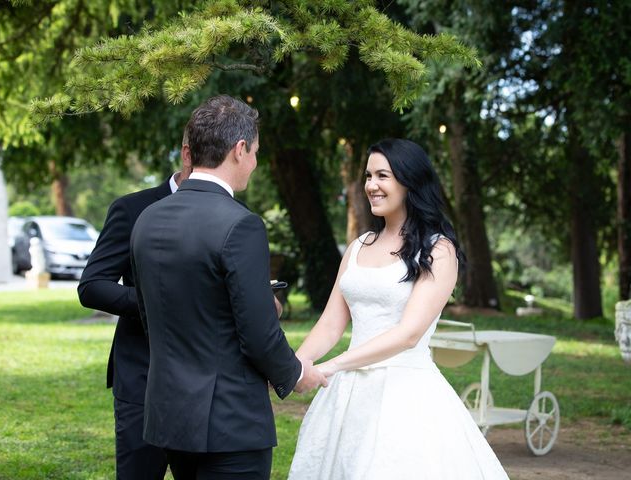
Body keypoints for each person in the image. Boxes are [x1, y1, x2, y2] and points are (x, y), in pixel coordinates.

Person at [130, 94, 326, 480]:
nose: (254, 163)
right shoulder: (241, 224)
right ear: (239, 150)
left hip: (169, 415)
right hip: (229, 420)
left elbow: (153, 313)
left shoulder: (147, 219)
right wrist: (296, 373)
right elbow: (257, 334)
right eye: (254, 152)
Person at [288, 138, 509, 479]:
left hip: (405, 395)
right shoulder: (358, 247)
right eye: (368, 176)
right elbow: (331, 323)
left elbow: (408, 335)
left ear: (409, 181)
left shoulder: (439, 250)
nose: (371, 186)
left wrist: (331, 367)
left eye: (382, 176)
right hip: (348, 395)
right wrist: (299, 364)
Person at [78, 131, 193, 479]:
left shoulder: (234, 212)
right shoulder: (131, 208)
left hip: (203, 387)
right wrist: (153, 304)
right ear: (188, 155)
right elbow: (92, 286)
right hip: (142, 379)